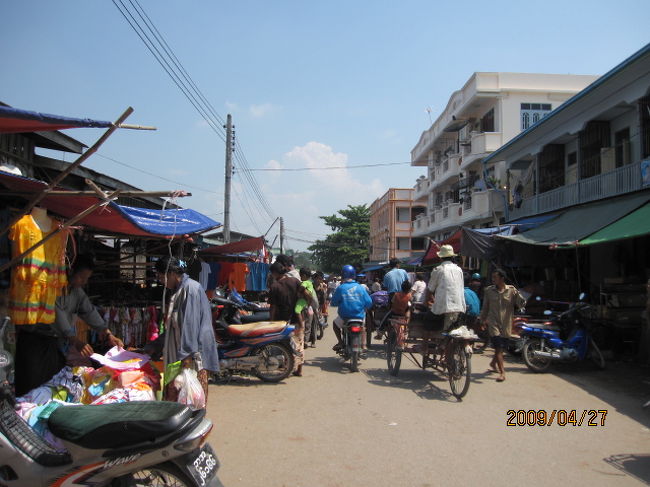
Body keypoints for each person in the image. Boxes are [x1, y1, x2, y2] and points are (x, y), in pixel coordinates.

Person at [150, 256, 220, 404]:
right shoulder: (178, 290)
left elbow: (190, 326)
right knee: (178, 401)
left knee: (191, 400)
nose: (160, 281)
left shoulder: (190, 289)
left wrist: (186, 358)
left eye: (161, 276)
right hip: (181, 357)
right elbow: (174, 328)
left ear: (172, 274)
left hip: (192, 358)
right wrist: (154, 346)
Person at [54, 255, 123, 363]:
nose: (84, 282)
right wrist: (74, 341)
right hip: (43, 341)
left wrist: (107, 333)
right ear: (71, 271)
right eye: (82, 277)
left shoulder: (77, 292)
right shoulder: (54, 289)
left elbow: (89, 311)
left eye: (87, 278)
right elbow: (58, 315)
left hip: (62, 343)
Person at [479, 268, 526, 382]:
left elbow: (521, 304)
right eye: (493, 277)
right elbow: (485, 307)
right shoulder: (489, 291)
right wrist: (482, 320)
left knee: (501, 348)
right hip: (493, 322)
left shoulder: (511, 290)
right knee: (499, 347)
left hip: (506, 324)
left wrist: (519, 295)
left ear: (502, 278)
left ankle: (493, 363)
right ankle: (502, 373)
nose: (493, 279)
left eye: (495, 277)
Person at [268, 261, 302, 375]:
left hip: (281, 320)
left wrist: (271, 322)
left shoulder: (275, 286)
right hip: (296, 318)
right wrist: (302, 308)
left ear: (274, 273)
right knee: (297, 343)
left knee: (282, 343)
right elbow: (306, 293)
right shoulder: (295, 281)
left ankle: (284, 366)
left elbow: (273, 307)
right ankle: (298, 368)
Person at [330, 265, 372, 352]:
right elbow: (369, 302)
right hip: (359, 316)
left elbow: (333, 302)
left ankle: (340, 342)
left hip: (345, 317)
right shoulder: (361, 287)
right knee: (363, 327)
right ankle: (363, 345)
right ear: (354, 275)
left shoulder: (341, 288)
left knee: (335, 324)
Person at [424, 244, 465, 330]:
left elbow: (430, 289)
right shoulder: (459, 269)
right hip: (459, 306)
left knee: (427, 320)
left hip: (444, 308)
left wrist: (425, 303)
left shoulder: (439, 269)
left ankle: (428, 341)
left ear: (440, 257)